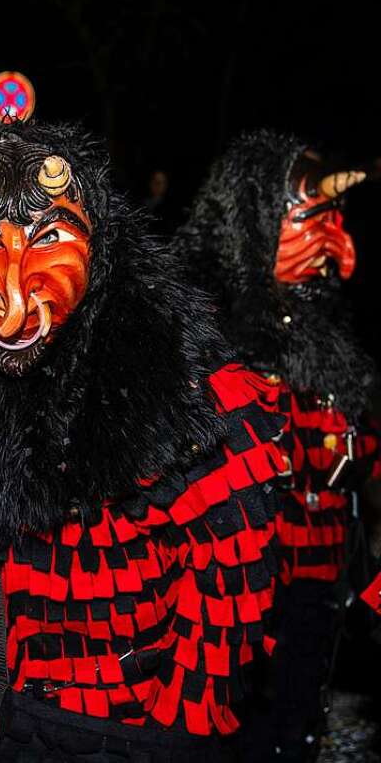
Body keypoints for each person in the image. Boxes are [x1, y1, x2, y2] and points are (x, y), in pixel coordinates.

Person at [0, 118, 287, 762]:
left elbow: (232, 582)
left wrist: (170, 731)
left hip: (123, 728)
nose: (14, 281)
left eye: (51, 234)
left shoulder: (181, 382)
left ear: (99, 246)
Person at [174, 130, 380, 762]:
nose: (340, 255)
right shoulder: (205, 336)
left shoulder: (331, 333)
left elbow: (356, 461)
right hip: (236, 595)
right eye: (311, 223)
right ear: (256, 220)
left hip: (319, 583)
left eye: (336, 224)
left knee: (296, 729)